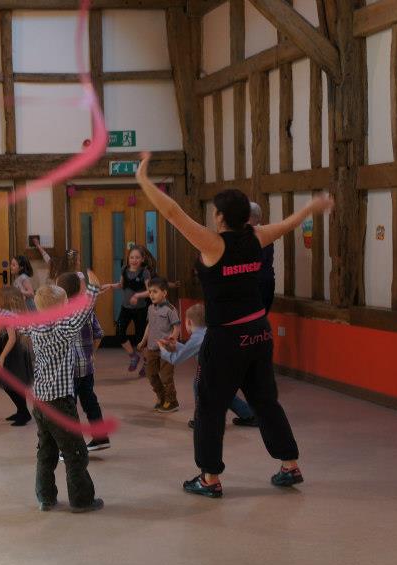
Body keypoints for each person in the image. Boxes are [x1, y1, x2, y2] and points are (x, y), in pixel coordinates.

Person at [135, 151, 333, 497]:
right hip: (258, 333)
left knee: (210, 407)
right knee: (265, 400)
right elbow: (288, 224)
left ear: (221, 216)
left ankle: (209, 478)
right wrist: (310, 209)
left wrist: (143, 179)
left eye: (214, 212)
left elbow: (171, 212)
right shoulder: (256, 238)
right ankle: (289, 464)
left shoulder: (213, 244)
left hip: (227, 338)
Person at [0, 271, 106, 514]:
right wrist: (93, 287)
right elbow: (83, 311)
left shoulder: (34, 325)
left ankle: (46, 498)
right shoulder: (65, 327)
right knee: (75, 453)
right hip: (60, 403)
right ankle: (82, 500)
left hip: (39, 402)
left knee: (46, 452)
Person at [158, 303, 257, 429]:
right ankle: (250, 416)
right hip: (228, 371)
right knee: (227, 395)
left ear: (188, 322)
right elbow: (193, 350)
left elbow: (176, 359)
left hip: (211, 374)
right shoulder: (209, 332)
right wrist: (176, 344)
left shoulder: (196, 338)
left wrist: (163, 350)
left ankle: (202, 420)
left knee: (198, 387)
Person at [57, 273, 109, 452]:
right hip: (86, 367)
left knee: (68, 408)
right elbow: (99, 334)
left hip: (69, 370)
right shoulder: (86, 309)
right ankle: (101, 437)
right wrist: (90, 354)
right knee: (89, 401)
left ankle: (73, 448)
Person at [137, 277, 181, 413]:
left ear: (164, 293)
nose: (151, 295)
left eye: (155, 292)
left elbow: (177, 327)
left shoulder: (170, 309)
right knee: (151, 374)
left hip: (166, 349)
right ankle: (162, 397)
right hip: (151, 348)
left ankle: (172, 401)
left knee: (166, 376)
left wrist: (173, 337)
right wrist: (143, 341)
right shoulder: (150, 308)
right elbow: (149, 326)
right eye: (150, 292)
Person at [0, 286, 34, 426]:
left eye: (0, 298)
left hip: (13, 354)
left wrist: (2, 357)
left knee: (9, 385)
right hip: (19, 352)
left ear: (7, 300)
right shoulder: (19, 312)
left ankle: (24, 413)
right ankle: (21, 410)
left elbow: (11, 338)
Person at [113, 245, 153, 375]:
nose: (134, 260)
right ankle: (133, 356)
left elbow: (150, 291)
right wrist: (109, 286)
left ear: (142, 259)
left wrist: (137, 295)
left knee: (140, 339)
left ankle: (147, 363)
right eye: (131, 257)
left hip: (140, 310)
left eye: (137, 257)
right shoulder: (124, 269)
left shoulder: (145, 272)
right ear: (128, 258)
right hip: (126, 308)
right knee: (119, 332)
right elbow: (121, 285)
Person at [249, 203, 276, 314]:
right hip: (258, 282)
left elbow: (257, 259)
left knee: (257, 320)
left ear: (252, 218)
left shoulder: (262, 234)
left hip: (260, 283)